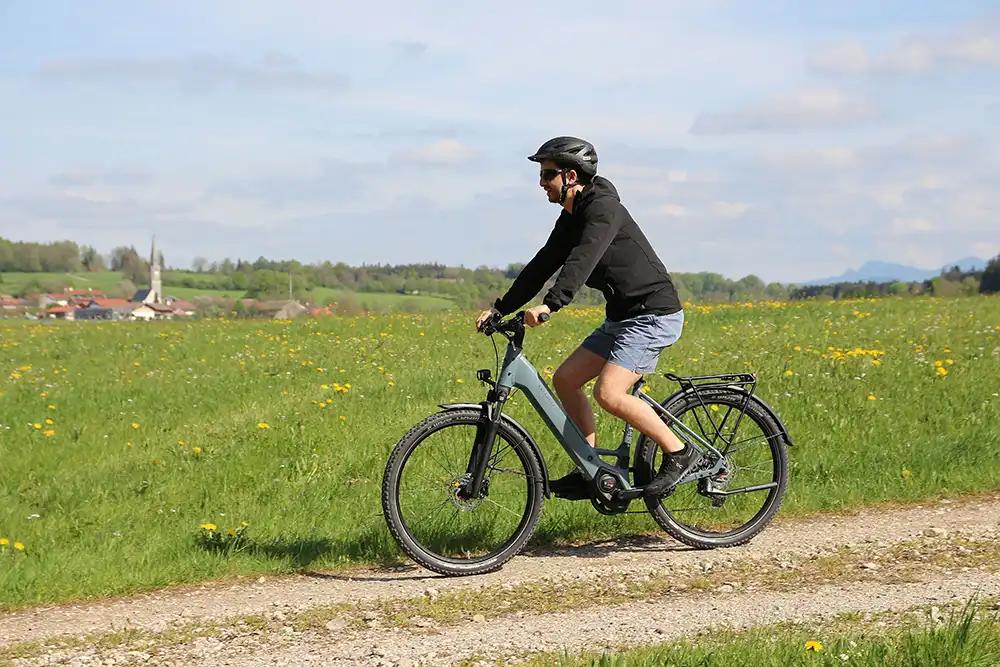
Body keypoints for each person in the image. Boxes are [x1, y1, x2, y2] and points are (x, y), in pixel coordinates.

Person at [475, 136, 697, 500]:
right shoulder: (571, 217)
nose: (541, 183)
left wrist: (551, 304)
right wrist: (502, 307)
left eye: (547, 175)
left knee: (609, 393)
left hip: (654, 314)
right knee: (565, 379)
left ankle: (680, 452)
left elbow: (584, 260)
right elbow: (542, 264)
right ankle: (590, 467)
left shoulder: (602, 211)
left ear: (571, 176)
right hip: (623, 317)